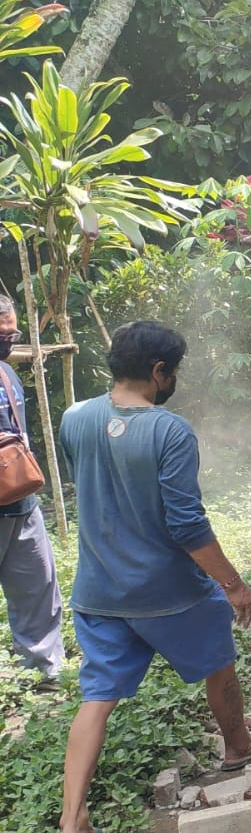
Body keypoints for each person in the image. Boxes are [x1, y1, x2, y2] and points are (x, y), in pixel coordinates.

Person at [55, 321, 251, 833]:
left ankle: (71, 822)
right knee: (218, 660)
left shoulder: (74, 418)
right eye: (173, 371)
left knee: (97, 697)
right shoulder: (169, 430)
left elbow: (89, 486)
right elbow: (186, 524)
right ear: (159, 371)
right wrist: (234, 586)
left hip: (98, 593)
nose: (173, 380)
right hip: (169, 592)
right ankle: (238, 746)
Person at [0, 295, 65, 689]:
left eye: (13, 333)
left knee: (38, 586)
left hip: (22, 503)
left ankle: (44, 671)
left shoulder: (8, 373)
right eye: (2, 334)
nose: (9, 340)